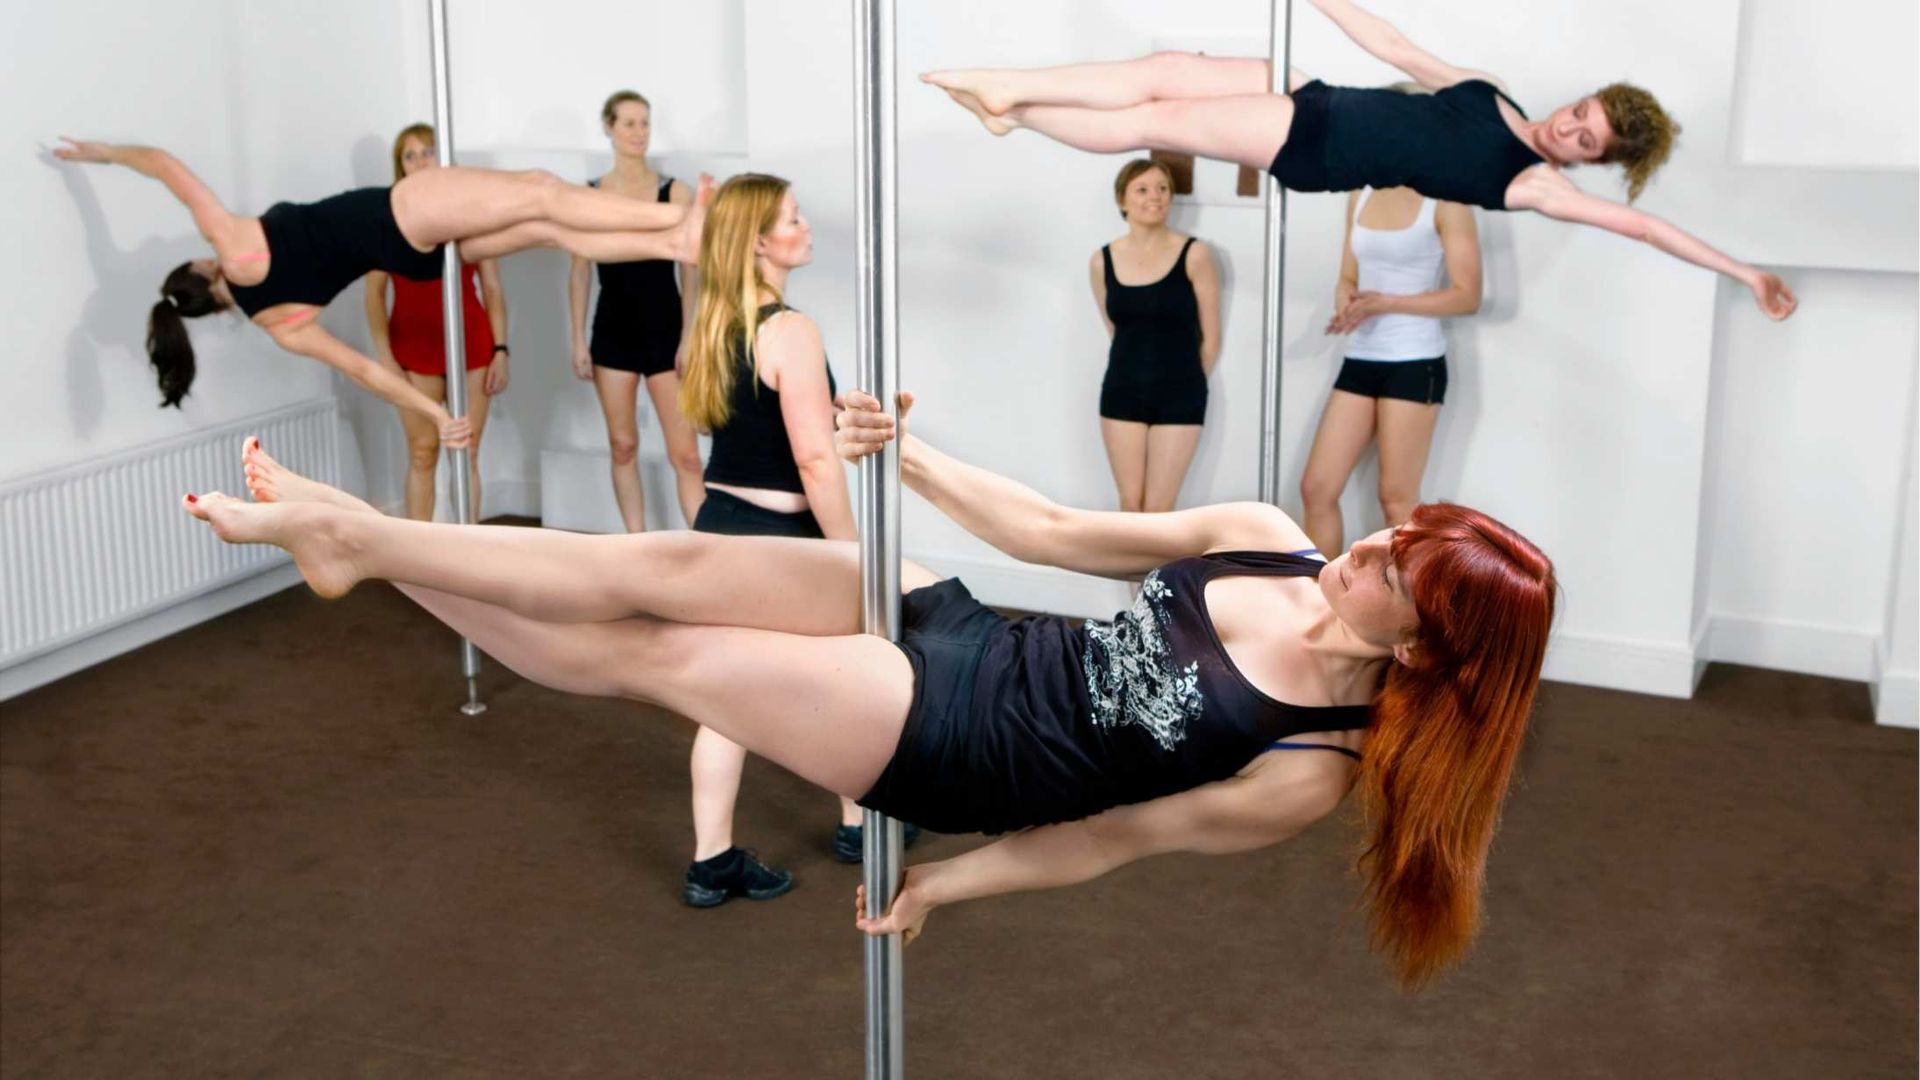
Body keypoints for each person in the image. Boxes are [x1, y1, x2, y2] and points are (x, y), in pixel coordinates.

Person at [198, 384, 1555, 988]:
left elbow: (1117, 836)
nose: (1369, 544)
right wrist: (914, 453)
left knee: (656, 654)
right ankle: (358, 542)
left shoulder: (1308, 764)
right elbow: (1052, 535)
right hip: (977, 630)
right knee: (669, 559)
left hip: (961, 744)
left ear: (1425, 647)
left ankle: (357, 545)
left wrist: (945, 886)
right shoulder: (1265, 530)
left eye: (1400, 570)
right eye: (1396, 528)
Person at [922, 0, 1796, 321]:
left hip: (1316, 147)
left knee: (1165, 114)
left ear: (1595, 160)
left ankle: (1010, 97)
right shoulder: (1494, 91)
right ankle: (1017, 108)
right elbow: (1398, 45)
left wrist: (1746, 272)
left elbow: (1643, 227)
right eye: (1581, 111)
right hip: (1319, 95)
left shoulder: (1533, 186)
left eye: (1587, 139)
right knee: (1165, 72)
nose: (1569, 128)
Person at [52, 137, 711, 442]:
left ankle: (671, 244)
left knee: (546, 229)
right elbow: (168, 165)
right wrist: (102, 156)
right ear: (205, 276)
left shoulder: (273, 322)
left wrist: (431, 417)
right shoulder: (234, 248)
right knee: (540, 190)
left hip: (412, 259)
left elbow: (366, 371)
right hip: (402, 212)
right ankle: (674, 222)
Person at [671, 171, 897, 903]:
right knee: (843, 679)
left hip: (719, 526)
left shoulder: (708, 327)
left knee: (724, 700)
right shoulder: (790, 330)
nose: (807, 228)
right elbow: (813, 459)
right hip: (784, 535)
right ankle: (859, 827)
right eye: (794, 218)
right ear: (760, 241)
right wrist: (853, 553)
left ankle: (712, 863)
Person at [1301, 112, 1482, 555]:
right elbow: (1347, 274)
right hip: (1362, 358)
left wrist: (1387, 303)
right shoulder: (1359, 194)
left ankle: (1400, 620)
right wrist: (1347, 299)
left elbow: (1467, 296)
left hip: (1414, 361)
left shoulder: (1446, 199)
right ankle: (1317, 608)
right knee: (1316, 488)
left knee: (1396, 501)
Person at [568, 91, 705, 533]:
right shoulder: (589, 194)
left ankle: (708, 552)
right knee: (622, 445)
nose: (638, 132)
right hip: (613, 330)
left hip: (666, 330)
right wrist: (577, 340)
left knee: (684, 453)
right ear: (608, 127)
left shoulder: (675, 191)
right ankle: (636, 546)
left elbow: (691, 271)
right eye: (628, 123)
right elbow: (579, 271)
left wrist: (690, 335)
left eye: (644, 123)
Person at [363, 124, 510, 521]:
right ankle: (419, 560)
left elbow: (493, 289)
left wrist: (501, 349)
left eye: (427, 151)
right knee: (423, 451)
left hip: (472, 346)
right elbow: (374, 294)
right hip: (413, 347)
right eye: (409, 155)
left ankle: (467, 551)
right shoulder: (387, 221)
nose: (420, 161)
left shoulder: (472, 217)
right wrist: (384, 355)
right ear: (401, 167)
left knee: (467, 451)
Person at [1088, 159, 1221, 513]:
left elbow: (1211, 339)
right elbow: (1115, 328)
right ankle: (1120, 572)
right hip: (1122, 390)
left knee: (1160, 509)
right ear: (1122, 200)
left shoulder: (1195, 255)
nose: (1156, 197)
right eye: (1143, 189)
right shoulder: (1102, 261)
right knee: (1130, 505)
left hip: (1180, 394)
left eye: (1163, 189)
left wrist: (1183, 381)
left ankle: (1156, 573)